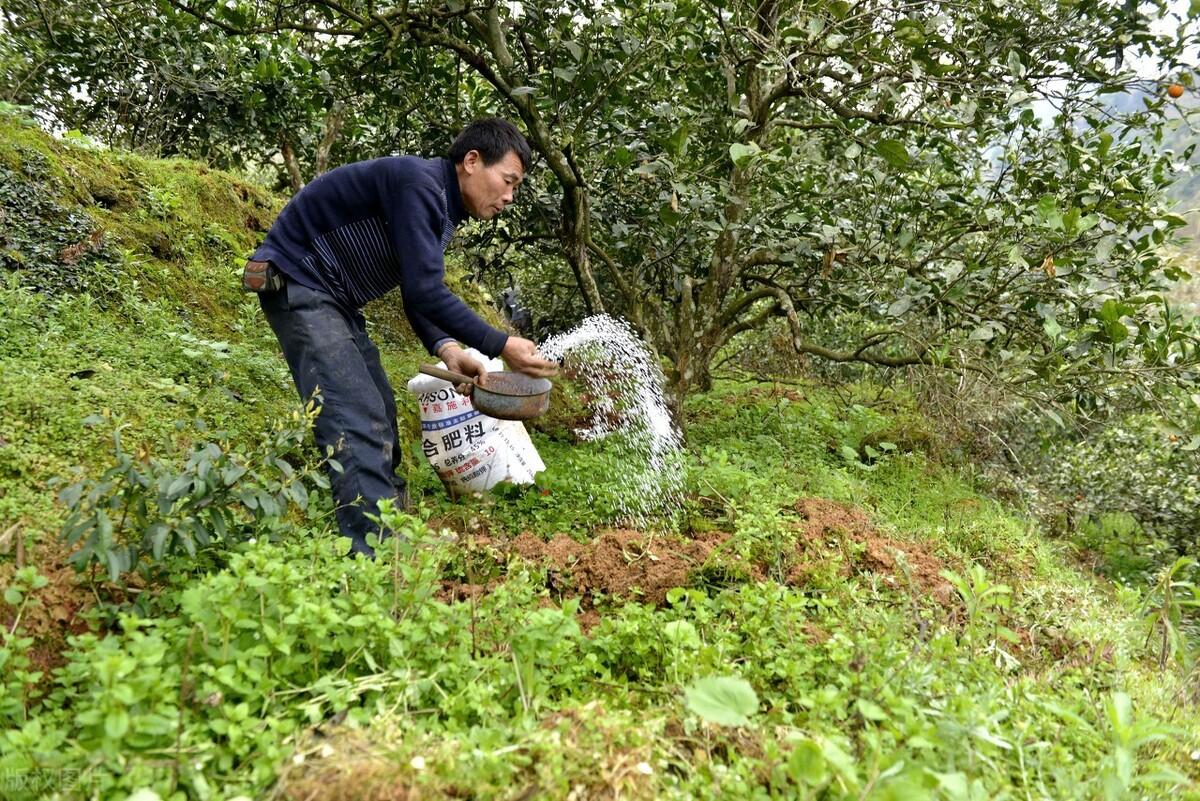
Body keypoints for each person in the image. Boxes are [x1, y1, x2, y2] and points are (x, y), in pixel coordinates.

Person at [245, 118, 557, 557]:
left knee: (381, 408)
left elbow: (419, 291)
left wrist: (448, 350)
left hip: (334, 299)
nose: (509, 196)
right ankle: (371, 553)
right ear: (471, 161)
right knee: (355, 416)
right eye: (507, 181)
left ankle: (391, 529)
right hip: (301, 282)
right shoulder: (420, 185)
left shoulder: (439, 204)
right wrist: (501, 344)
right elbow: (425, 291)